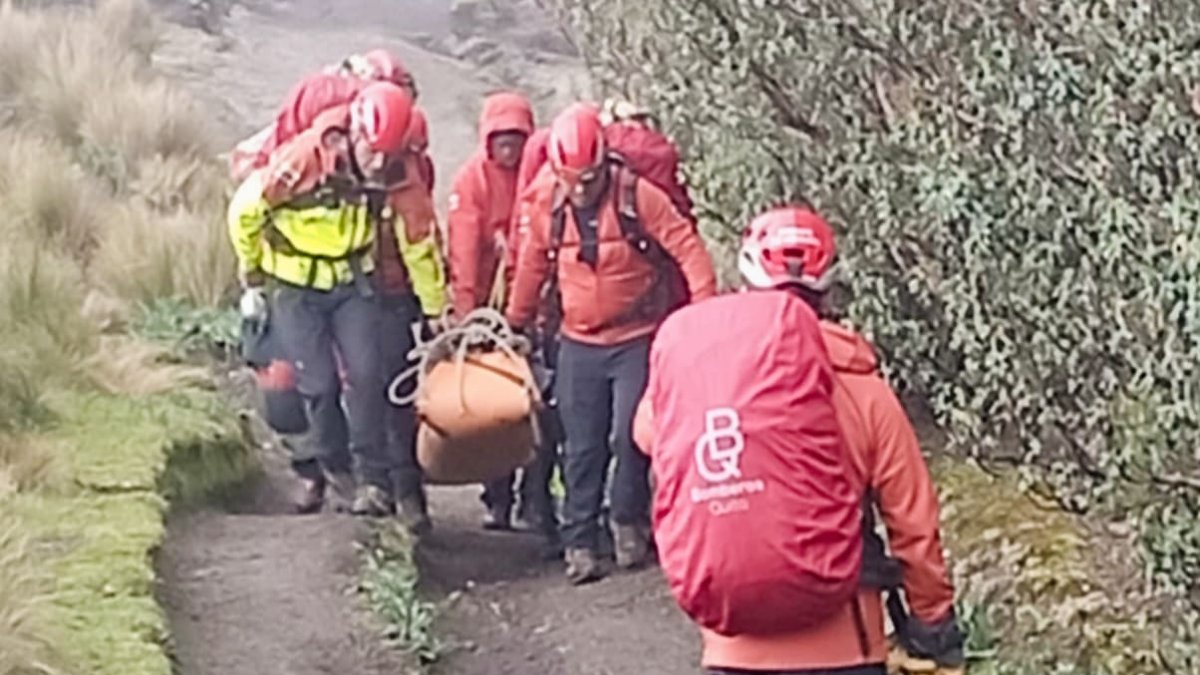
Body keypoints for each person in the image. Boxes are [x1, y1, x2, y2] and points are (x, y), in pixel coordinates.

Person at [634, 206, 965, 675]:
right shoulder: (861, 388)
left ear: (748, 280)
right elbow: (912, 521)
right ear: (827, 287)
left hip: (732, 649)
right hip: (847, 645)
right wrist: (933, 622)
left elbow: (646, 434)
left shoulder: (703, 381)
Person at [506, 102, 717, 584]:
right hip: (578, 341)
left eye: (589, 178)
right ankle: (579, 541)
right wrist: (515, 324)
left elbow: (686, 248)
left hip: (637, 338)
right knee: (580, 444)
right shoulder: (545, 203)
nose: (581, 189)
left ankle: (627, 521)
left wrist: (704, 310)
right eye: (572, 179)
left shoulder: (638, 196)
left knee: (630, 436)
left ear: (604, 162)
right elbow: (532, 267)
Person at [228, 82, 416, 516]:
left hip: (353, 282)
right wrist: (252, 270)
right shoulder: (301, 160)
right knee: (318, 383)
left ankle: (373, 480)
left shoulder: (391, 169)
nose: (380, 164)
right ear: (354, 136)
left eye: (389, 155)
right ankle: (335, 469)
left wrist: (434, 301)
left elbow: (418, 230)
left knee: (369, 377)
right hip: (295, 288)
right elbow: (245, 212)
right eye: (373, 154)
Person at [445, 91, 536, 531]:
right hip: (485, 310)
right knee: (494, 406)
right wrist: (466, 314)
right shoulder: (471, 182)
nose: (509, 146)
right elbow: (462, 252)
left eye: (517, 137)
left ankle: (535, 499)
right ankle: (498, 497)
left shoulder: (536, 176)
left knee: (535, 406)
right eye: (501, 137)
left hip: (529, 306)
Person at [229, 48, 422, 182]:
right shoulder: (321, 93)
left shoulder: (405, 126)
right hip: (279, 149)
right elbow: (278, 145)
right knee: (246, 172)